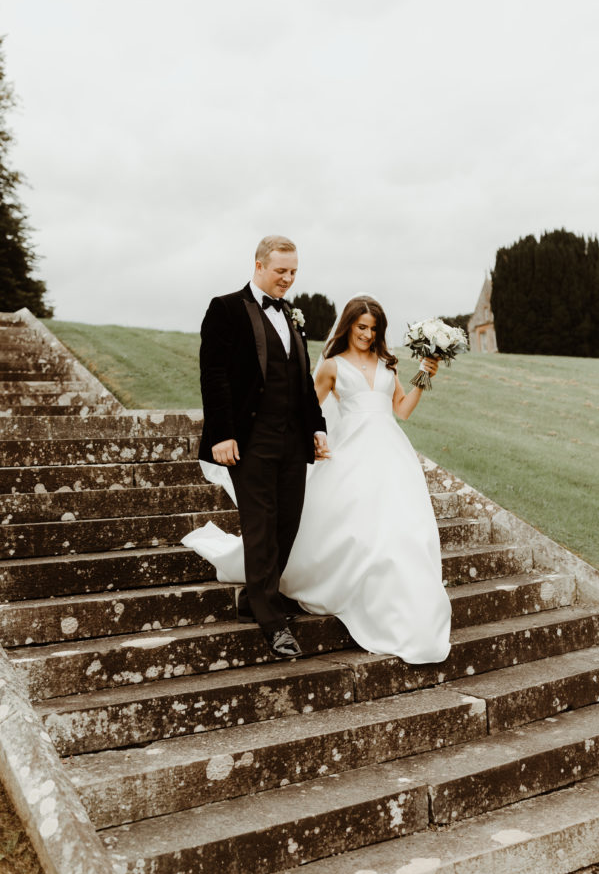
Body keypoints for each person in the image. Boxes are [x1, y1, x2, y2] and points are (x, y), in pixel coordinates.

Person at [184, 294, 451, 665]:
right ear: (349, 326)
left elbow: (402, 411)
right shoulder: (331, 366)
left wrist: (424, 376)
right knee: (356, 527)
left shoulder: (387, 365)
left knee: (403, 528)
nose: (367, 335)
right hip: (351, 455)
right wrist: (313, 438)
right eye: (361, 328)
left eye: (374, 329)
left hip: (392, 454)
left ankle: (400, 599)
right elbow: (306, 406)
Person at [194, 235, 329, 660]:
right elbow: (213, 374)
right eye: (280, 271)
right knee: (261, 526)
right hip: (249, 440)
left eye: (293, 272)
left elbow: (302, 378)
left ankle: (254, 599)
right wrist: (221, 434)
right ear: (258, 265)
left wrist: (317, 427)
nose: (288, 279)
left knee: (288, 523)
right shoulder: (225, 308)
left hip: (292, 440)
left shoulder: (290, 315)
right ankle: (273, 624)